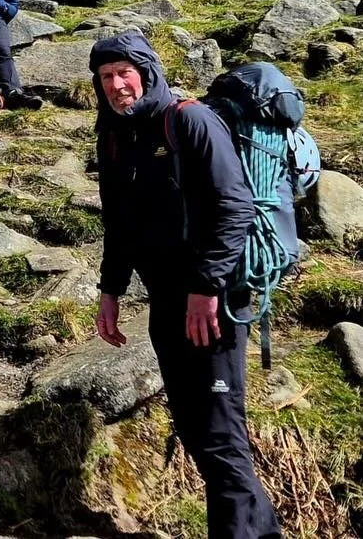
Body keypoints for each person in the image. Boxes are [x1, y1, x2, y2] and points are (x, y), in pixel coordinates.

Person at [91, 32, 280, 539]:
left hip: (213, 303)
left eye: (124, 72)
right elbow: (119, 221)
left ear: (147, 71)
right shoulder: (112, 133)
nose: (116, 84)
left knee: (219, 434)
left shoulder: (188, 120)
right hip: (164, 301)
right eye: (106, 76)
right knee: (197, 431)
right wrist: (110, 292)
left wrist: (207, 287)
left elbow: (233, 206)